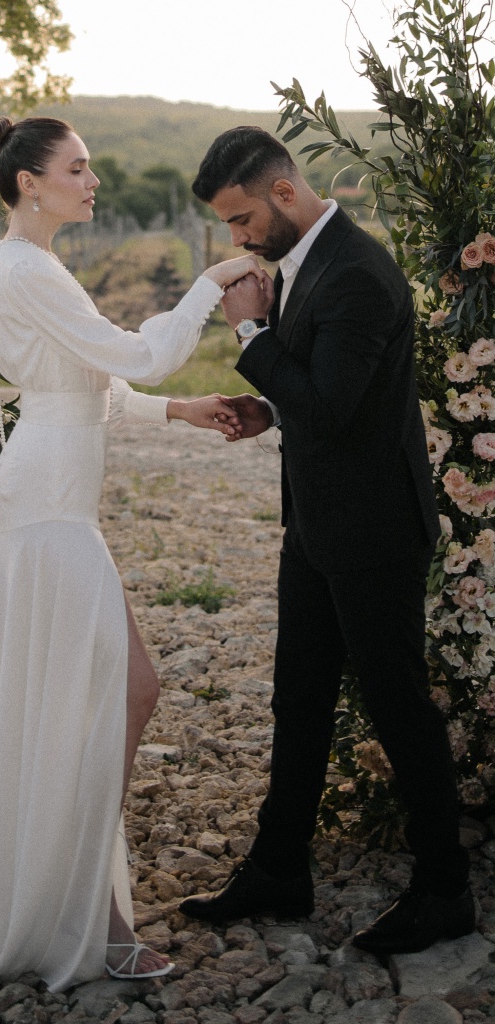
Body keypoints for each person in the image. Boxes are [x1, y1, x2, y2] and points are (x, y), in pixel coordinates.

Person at [0, 115, 263, 991]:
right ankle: (90, 918)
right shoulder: (27, 270)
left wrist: (178, 411)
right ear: (28, 181)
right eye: (77, 168)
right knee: (119, 691)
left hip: (58, 496)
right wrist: (211, 282)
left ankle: (81, 903)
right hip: (48, 507)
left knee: (102, 693)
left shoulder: (33, 264)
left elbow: (85, 383)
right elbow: (139, 355)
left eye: (91, 167)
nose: (92, 180)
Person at [178, 126, 475, 957]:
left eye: (241, 219)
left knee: (398, 708)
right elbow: (319, 392)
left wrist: (250, 337)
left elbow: (332, 408)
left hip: (374, 530)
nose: (238, 238)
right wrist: (267, 407)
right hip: (314, 521)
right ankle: (279, 868)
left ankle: (444, 890)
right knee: (297, 698)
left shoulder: (358, 273)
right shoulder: (305, 262)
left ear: (282, 192)